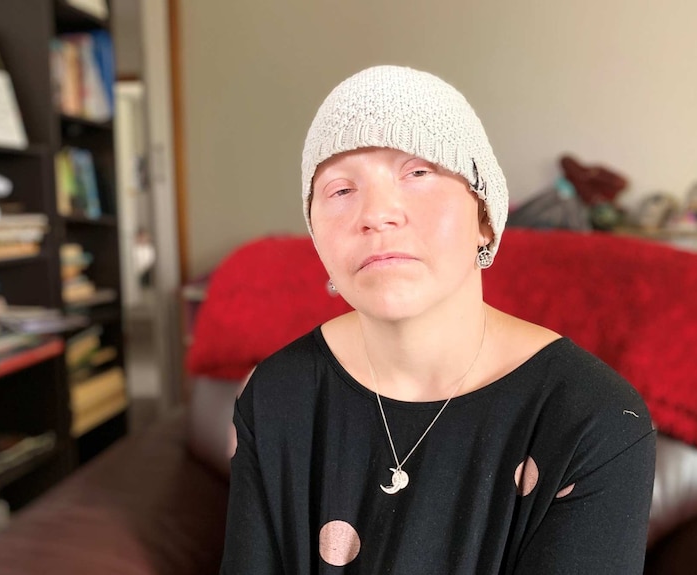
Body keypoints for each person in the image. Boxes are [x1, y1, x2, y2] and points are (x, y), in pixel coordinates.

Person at [220, 65, 655, 574]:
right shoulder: (276, 396)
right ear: (317, 237)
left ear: (485, 216)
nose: (377, 214)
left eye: (418, 173)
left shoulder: (595, 419)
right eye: (341, 190)